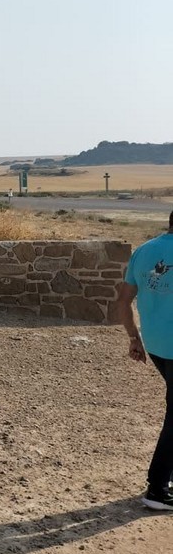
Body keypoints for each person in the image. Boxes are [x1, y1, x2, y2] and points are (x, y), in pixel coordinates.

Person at [117, 213, 173, 511]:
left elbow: (123, 300)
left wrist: (134, 338)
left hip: (155, 345)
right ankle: (157, 489)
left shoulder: (144, 250)